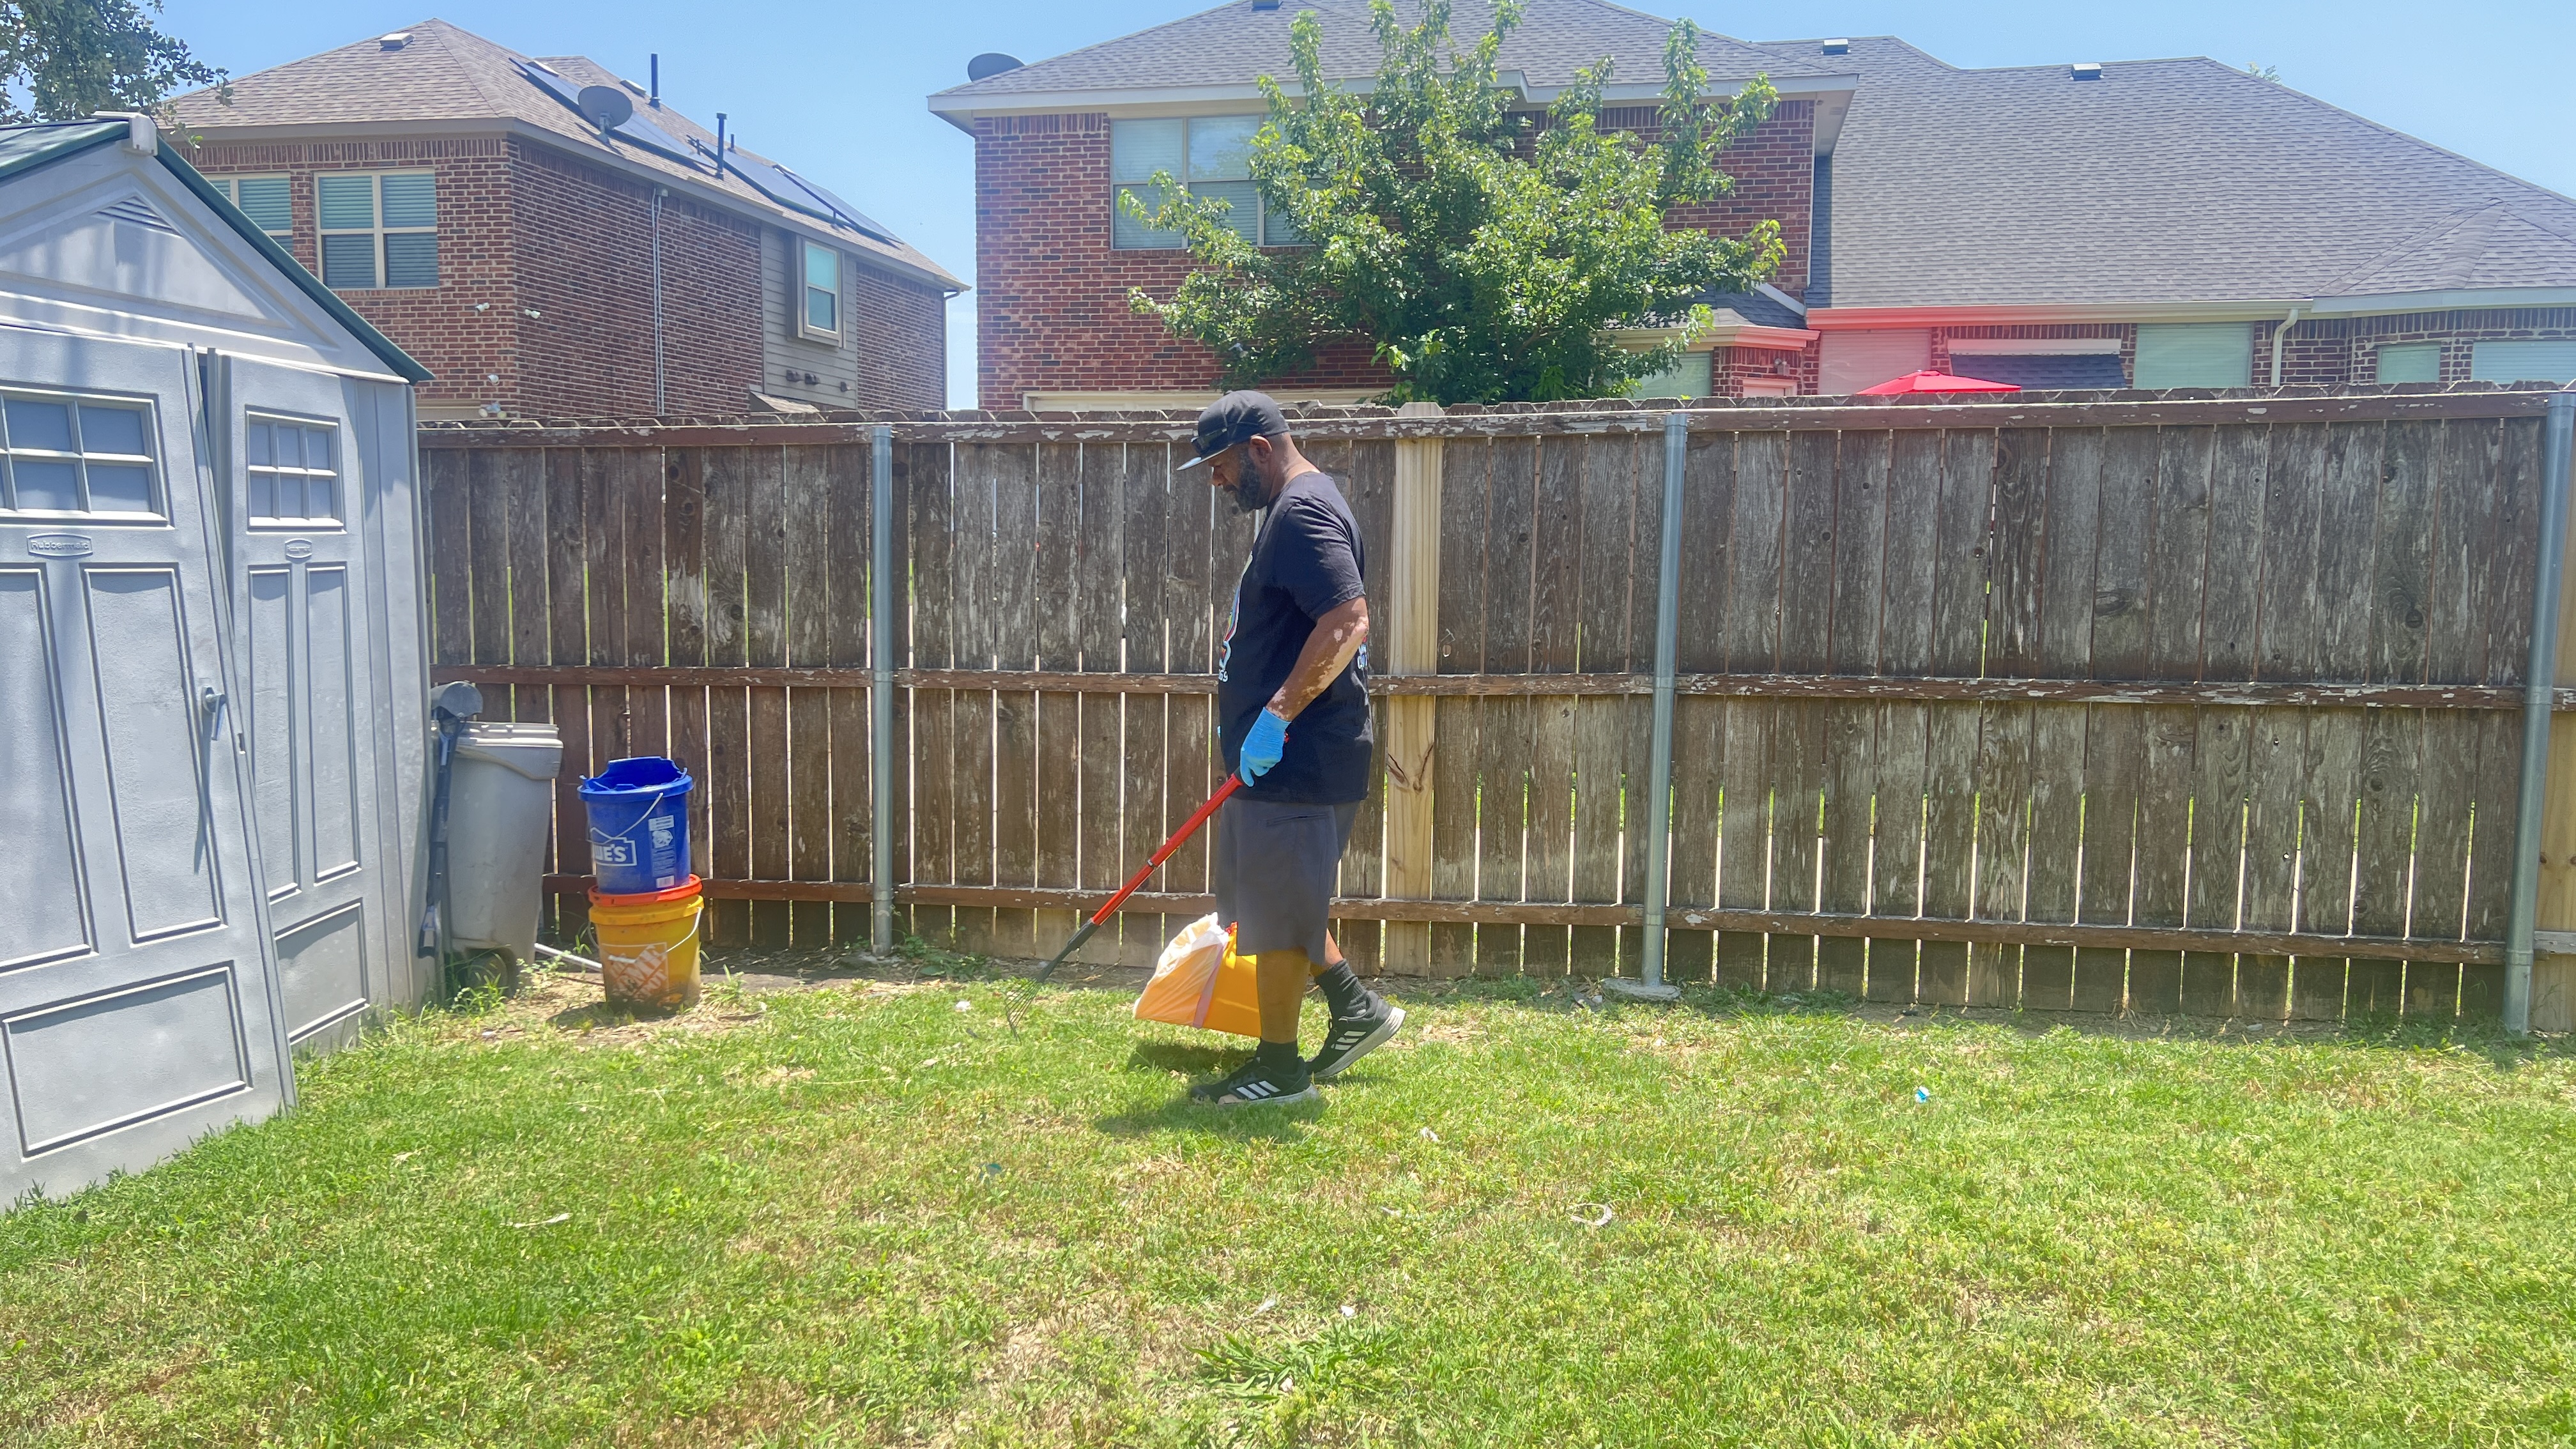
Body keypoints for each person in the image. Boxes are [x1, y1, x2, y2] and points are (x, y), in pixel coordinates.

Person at [1176, 391, 1404, 1107]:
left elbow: (1348, 619)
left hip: (1299, 759)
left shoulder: (1301, 512)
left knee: (1275, 916)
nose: (1217, 482)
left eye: (1220, 466)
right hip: (1284, 759)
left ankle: (1280, 1068)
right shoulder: (1298, 506)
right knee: (1277, 899)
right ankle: (1355, 1008)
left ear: (1260, 449)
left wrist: (1275, 717)